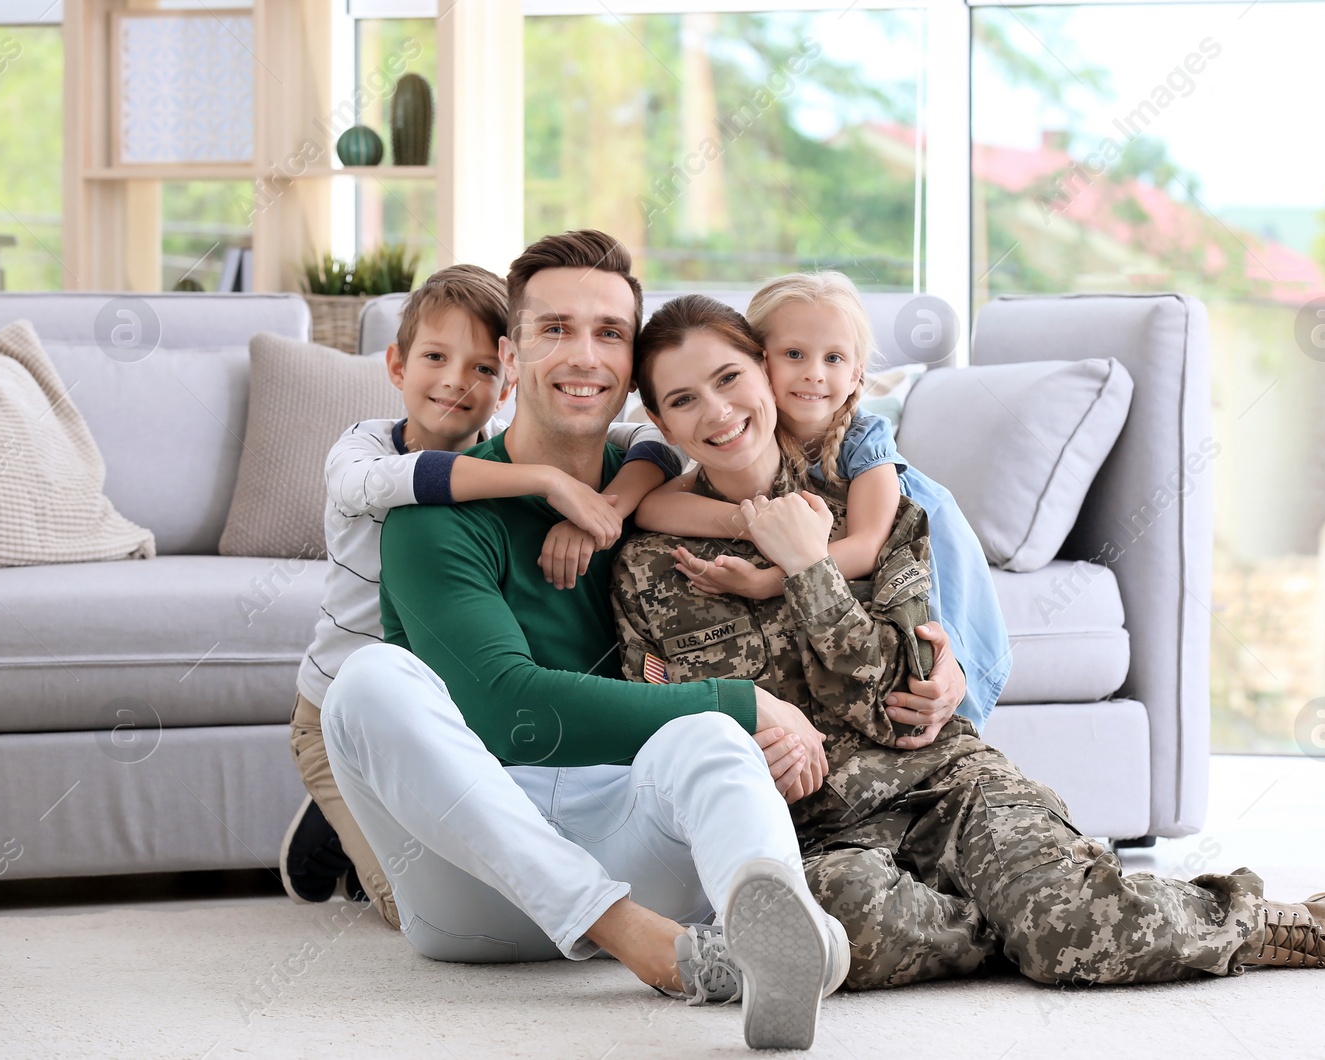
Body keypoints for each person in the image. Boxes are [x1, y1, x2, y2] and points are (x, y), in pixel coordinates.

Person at [611, 293, 1325, 991]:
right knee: (838, 941)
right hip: (825, 834)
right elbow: (664, 719)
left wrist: (807, 570)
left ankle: (1300, 923)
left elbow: (894, 692)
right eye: (684, 399)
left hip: (942, 779)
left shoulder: (876, 506)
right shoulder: (650, 563)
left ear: (765, 372)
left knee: (1078, 943)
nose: (717, 411)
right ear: (660, 420)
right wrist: (750, 743)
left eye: (730, 378)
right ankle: (1036, 911)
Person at [316, 232, 973, 1050]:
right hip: (472, 886)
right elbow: (504, 709)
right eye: (554, 329)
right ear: (510, 358)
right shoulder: (434, 520)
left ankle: (775, 938)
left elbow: (874, 580)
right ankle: (633, 938)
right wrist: (746, 703)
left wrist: (950, 675)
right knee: (369, 680)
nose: (582, 354)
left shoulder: (657, 497)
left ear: (633, 372)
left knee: (703, 735)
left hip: (632, 835)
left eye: (608, 334)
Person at [281, 263, 684, 927]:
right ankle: (341, 822)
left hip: (440, 715)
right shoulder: (362, 449)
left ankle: (378, 811)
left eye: (481, 370)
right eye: (435, 358)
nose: (455, 383)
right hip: (338, 714)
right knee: (407, 906)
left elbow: (652, 442)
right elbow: (388, 484)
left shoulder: (496, 450)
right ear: (395, 365)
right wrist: (547, 483)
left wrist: (605, 507)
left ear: (506, 378)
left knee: (493, 862)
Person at [636, 271, 1010, 728]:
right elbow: (654, 507)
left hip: (925, 535)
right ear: (761, 359)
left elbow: (868, 545)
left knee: (940, 654)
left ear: (856, 374)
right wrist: (757, 520)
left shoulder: (863, 443)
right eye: (794, 354)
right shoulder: (740, 429)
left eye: (833, 358)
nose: (814, 372)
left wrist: (767, 580)